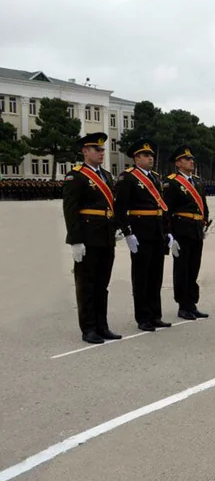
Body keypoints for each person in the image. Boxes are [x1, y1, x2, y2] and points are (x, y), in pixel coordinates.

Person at [62, 133, 121, 344]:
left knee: (102, 285)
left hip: (105, 237)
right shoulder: (76, 176)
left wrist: (116, 228)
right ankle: (88, 328)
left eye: (103, 149)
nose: (101, 153)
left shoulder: (106, 175)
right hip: (87, 237)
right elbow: (70, 210)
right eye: (96, 149)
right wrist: (75, 240)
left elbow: (111, 206)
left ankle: (102, 326)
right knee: (87, 284)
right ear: (85, 151)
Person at [115, 139, 178, 332]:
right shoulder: (128, 178)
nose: (150, 158)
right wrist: (127, 233)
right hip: (140, 232)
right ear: (136, 158)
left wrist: (167, 232)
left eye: (151, 155)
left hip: (157, 232)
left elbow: (162, 208)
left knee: (155, 276)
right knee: (141, 277)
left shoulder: (156, 177)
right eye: (146, 155)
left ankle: (155, 314)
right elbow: (120, 208)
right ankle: (143, 317)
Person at [163, 145, 209, 321]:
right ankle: (183, 305)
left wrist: (204, 222)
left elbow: (203, 205)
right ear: (178, 163)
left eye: (192, 159)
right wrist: (169, 234)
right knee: (182, 269)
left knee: (193, 268)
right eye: (187, 159)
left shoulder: (197, 181)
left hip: (196, 229)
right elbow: (167, 210)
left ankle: (192, 303)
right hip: (181, 230)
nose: (191, 162)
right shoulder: (172, 182)